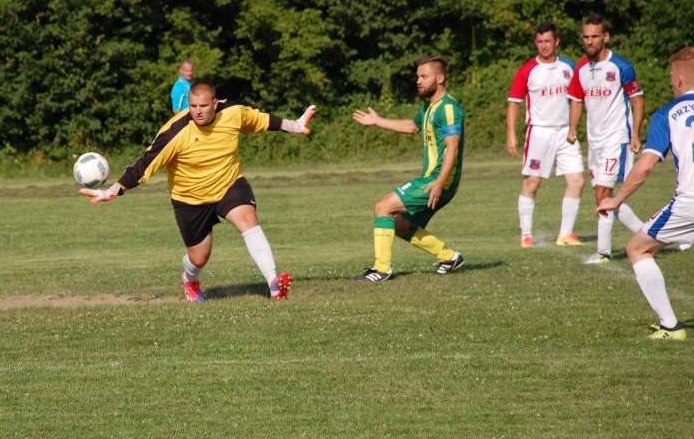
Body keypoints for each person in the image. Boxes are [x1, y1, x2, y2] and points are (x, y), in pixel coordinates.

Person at [81, 82, 316, 302]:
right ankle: (189, 280)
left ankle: (273, 284)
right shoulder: (175, 132)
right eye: (193, 106)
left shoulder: (232, 112)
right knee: (199, 257)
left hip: (228, 184)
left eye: (203, 106)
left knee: (248, 219)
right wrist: (112, 191)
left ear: (215, 104)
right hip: (189, 198)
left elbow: (261, 120)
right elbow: (145, 164)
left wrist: (294, 126)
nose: (198, 111)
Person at [596, 47, 694, 340]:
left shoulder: (668, 114)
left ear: (678, 80)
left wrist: (617, 198)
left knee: (637, 248)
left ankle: (669, 327)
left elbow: (645, 167)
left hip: (690, 201)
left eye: (670, 76)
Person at [352, 57, 465, 281]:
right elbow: (413, 127)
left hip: (437, 180)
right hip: (434, 179)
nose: (418, 81)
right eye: (418, 77)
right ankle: (450, 257)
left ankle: (381, 269)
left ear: (440, 78)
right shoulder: (430, 107)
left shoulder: (449, 108)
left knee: (383, 206)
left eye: (424, 76)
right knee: (400, 225)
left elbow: (453, 147)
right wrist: (377, 121)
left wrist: (440, 182)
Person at [567, 14, 645, 264]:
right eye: (586, 37)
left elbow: (637, 100)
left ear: (605, 37)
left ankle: (603, 252)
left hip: (616, 139)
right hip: (595, 142)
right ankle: (653, 235)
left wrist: (635, 134)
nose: (589, 41)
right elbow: (577, 101)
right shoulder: (580, 68)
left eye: (594, 37)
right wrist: (572, 129)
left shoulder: (620, 66)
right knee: (605, 199)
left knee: (603, 194)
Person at [507, 22, 585, 248]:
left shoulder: (569, 66)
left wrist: (574, 126)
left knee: (577, 181)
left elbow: (577, 100)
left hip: (566, 133)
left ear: (557, 42)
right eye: (539, 42)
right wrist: (511, 134)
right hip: (539, 133)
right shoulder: (527, 70)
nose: (544, 46)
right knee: (532, 183)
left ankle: (565, 234)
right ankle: (526, 236)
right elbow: (513, 104)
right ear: (535, 43)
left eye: (548, 41)